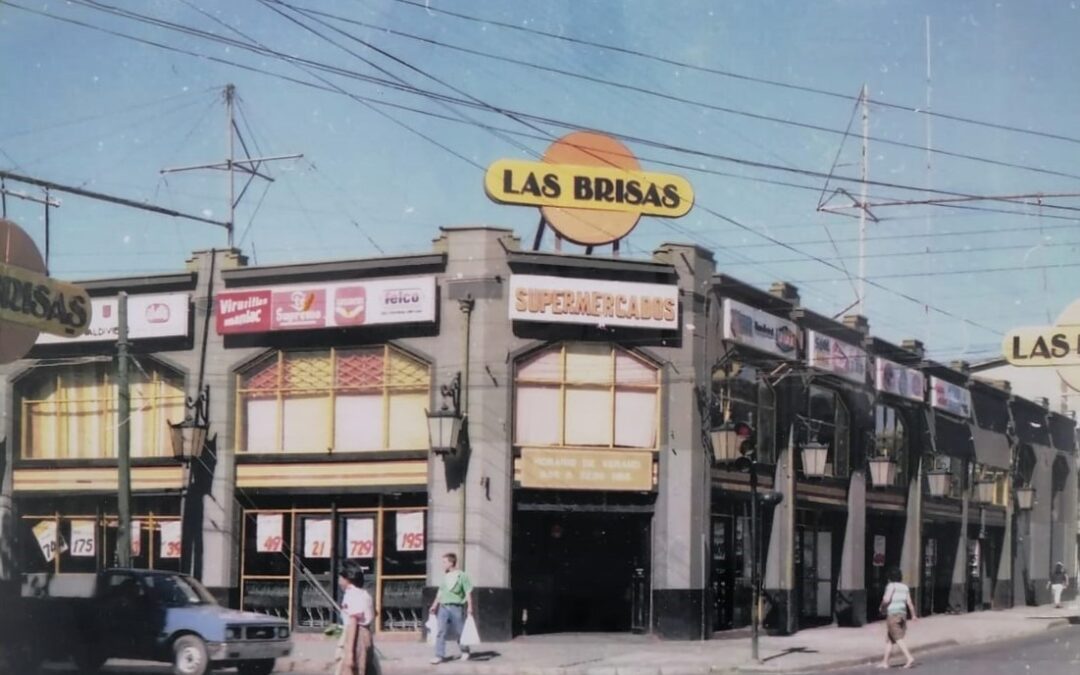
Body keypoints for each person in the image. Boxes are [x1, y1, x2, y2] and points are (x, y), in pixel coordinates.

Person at [429, 552, 474, 665]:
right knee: (440, 631)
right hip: (443, 607)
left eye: (444, 562)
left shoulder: (462, 576)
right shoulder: (445, 577)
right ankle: (439, 655)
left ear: (451, 562)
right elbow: (440, 593)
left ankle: (465, 651)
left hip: (456, 607)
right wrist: (434, 605)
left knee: (460, 631)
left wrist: (470, 607)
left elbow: (468, 592)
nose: (443, 564)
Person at [339, 560, 375, 675]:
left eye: (340, 578)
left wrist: (349, 653)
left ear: (347, 579)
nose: (339, 581)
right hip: (366, 635)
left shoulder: (351, 595)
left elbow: (353, 622)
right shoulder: (364, 594)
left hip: (356, 636)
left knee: (352, 670)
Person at [879, 567, 917, 669]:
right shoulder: (905, 587)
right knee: (890, 639)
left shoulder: (891, 586)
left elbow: (886, 599)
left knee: (897, 638)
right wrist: (913, 615)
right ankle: (885, 662)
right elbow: (909, 602)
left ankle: (909, 657)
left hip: (893, 614)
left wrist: (882, 607)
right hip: (902, 615)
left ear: (889, 577)